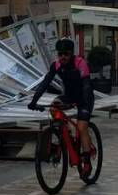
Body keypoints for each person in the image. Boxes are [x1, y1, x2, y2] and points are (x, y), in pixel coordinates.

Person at [28, 38, 95, 176]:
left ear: (72, 54)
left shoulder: (80, 63)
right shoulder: (57, 65)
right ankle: (67, 132)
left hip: (84, 97)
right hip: (69, 96)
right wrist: (33, 102)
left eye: (66, 54)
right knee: (53, 107)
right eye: (60, 54)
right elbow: (44, 84)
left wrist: (82, 102)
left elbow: (87, 86)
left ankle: (87, 161)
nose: (63, 57)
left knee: (82, 127)